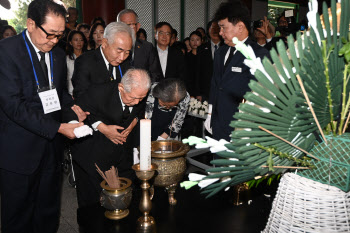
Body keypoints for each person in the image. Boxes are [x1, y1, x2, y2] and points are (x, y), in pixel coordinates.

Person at [0, 0, 87, 232]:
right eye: (50, 34)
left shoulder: (57, 55)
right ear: (30, 24)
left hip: (51, 151)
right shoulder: (6, 51)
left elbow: (57, 94)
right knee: (18, 216)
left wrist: (72, 107)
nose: (55, 41)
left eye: (60, 35)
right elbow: (13, 106)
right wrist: (58, 127)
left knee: (48, 212)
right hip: (18, 151)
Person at [69, 68, 151, 209]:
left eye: (141, 98)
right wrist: (102, 127)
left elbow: (139, 110)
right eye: (132, 98)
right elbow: (76, 114)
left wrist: (134, 122)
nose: (137, 102)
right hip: (94, 152)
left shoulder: (138, 94)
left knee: (126, 194)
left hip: (123, 154)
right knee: (94, 202)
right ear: (121, 87)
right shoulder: (97, 92)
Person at [205, 1, 269, 141]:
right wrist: (210, 114)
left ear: (240, 27)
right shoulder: (220, 52)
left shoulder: (258, 54)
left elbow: (260, 96)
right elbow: (215, 84)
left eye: (223, 28)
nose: (220, 33)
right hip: (218, 123)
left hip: (242, 127)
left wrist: (245, 127)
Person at [72, 22, 133, 99]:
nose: (122, 57)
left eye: (127, 52)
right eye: (119, 51)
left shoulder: (126, 62)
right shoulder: (84, 62)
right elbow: (81, 96)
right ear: (104, 43)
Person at [117, 9, 162, 82]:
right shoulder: (113, 47)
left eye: (130, 24)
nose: (126, 29)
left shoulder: (147, 47)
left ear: (138, 26)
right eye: (123, 25)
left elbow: (155, 74)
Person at [195, 20, 223, 102]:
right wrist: (198, 93)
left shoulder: (227, 48)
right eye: (212, 28)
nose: (214, 31)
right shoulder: (201, 48)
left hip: (222, 91)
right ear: (208, 31)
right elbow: (197, 72)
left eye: (217, 28)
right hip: (205, 92)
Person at [66, 30, 87, 95]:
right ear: (70, 42)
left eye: (81, 40)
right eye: (76, 40)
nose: (79, 42)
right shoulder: (66, 59)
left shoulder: (88, 57)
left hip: (87, 92)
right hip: (71, 92)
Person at [185, 31, 202, 96]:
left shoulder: (206, 56)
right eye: (192, 40)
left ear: (202, 40)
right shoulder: (186, 57)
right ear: (189, 42)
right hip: (190, 90)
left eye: (197, 40)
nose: (195, 42)